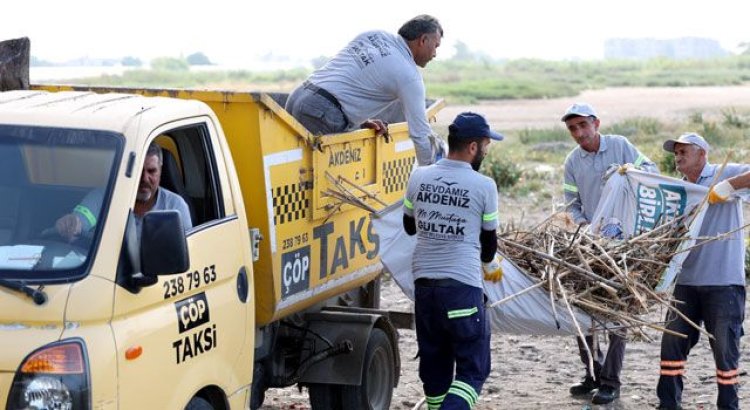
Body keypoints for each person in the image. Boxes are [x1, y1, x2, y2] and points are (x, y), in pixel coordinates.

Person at [403, 112, 504, 409]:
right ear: (472, 147)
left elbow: (409, 227)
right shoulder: (484, 186)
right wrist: (490, 264)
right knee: (473, 371)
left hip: (425, 292)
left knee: (435, 371)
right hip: (462, 290)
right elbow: (489, 244)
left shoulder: (418, 176)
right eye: (486, 145)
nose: (486, 151)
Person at [561, 102, 658, 405]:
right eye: (572, 129)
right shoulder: (572, 162)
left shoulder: (621, 146)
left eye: (582, 126)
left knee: (619, 312)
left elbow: (652, 172)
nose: (578, 133)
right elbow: (571, 203)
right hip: (590, 245)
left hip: (625, 242)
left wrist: (631, 172)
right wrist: (582, 224)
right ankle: (592, 372)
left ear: (596, 123)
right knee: (581, 308)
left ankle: (611, 381)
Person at [657, 132, 748, 410]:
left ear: (702, 154)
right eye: (676, 153)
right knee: (672, 344)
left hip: (724, 282)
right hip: (686, 281)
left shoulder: (725, 172)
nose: (678, 157)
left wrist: (729, 187)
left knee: (724, 349)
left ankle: (728, 406)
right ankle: (669, 404)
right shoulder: (678, 190)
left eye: (684, 152)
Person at [285, 14, 443, 166]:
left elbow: (348, 80)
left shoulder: (375, 35)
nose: (435, 54)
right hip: (320, 112)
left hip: (299, 96)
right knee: (331, 180)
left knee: (294, 171)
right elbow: (420, 134)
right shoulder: (409, 76)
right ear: (423, 40)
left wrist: (361, 122)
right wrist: (429, 178)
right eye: (435, 46)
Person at [56, 142, 192, 242]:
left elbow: (184, 257)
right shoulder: (102, 197)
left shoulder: (176, 206)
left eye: (151, 171)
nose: (144, 178)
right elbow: (79, 220)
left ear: (160, 171)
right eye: (138, 171)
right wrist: (71, 223)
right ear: (126, 170)